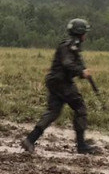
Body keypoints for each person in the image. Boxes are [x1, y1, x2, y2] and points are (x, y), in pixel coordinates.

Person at [20, 18, 100, 155]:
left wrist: (82, 73)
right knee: (80, 107)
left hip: (56, 82)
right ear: (80, 33)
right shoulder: (69, 46)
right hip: (62, 83)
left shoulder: (71, 46)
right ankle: (81, 145)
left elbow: (72, 65)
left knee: (53, 112)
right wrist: (81, 72)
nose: (86, 36)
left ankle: (30, 140)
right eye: (85, 33)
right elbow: (67, 64)